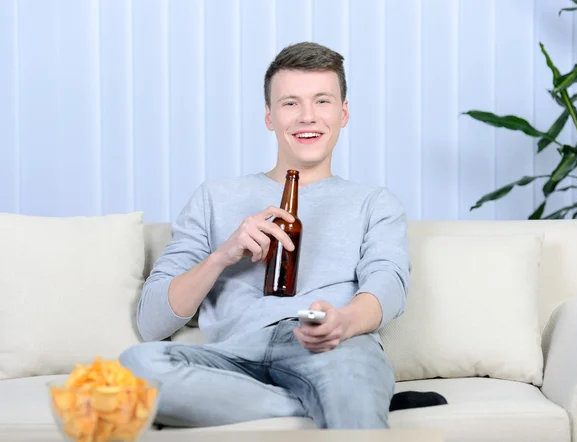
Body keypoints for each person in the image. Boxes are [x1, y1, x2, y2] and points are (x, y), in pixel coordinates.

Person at [119, 41, 411, 429]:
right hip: (235, 354)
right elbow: (152, 323)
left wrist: (345, 321)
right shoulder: (213, 197)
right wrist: (222, 255)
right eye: (290, 103)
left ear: (343, 114)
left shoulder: (375, 202)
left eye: (322, 101)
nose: (307, 116)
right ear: (269, 117)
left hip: (332, 346)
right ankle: (307, 403)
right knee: (134, 368)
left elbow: (387, 282)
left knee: (353, 372)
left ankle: (333, 393)